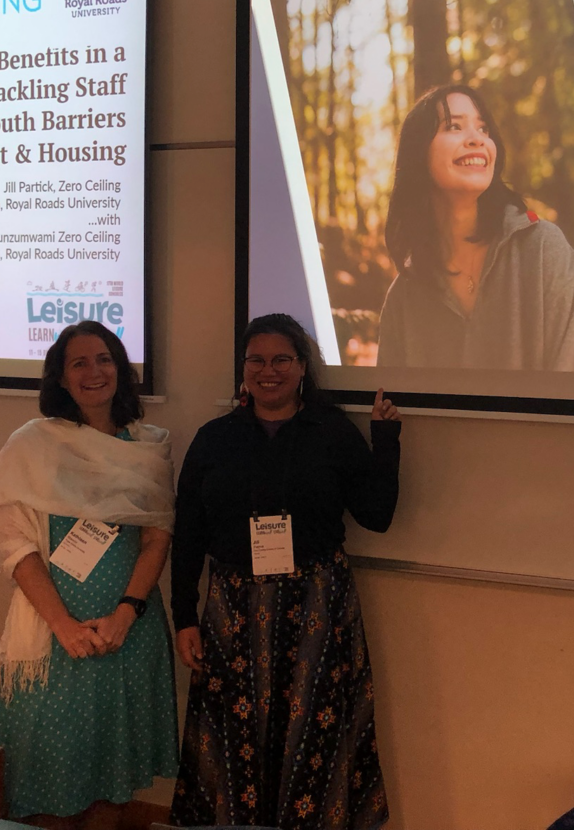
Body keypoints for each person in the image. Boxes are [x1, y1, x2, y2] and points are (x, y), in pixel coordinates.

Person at [171, 313, 401, 830]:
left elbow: (377, 516)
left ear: (302, 368)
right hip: (231, 611)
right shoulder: (213, 439)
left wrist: (386, 438)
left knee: (314, 740)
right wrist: (183, 616)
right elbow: (187, 535)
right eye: (257, 360)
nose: (267, 370)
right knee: (234, 741)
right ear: (243, 368)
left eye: (281, 360)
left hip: (317, 608)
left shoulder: (334, 433)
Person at [0, 320, 178, 828]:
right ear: (60, 379)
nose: (94, 371)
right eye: (79, 363)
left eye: (105, 359)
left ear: (121, 369)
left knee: (115, 781)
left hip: (125, 636)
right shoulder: (32, 446)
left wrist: (125, 616)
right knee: (48, 787)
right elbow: (16, 546)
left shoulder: (146, 448)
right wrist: (64, 626)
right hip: (55, 641)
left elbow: (157, 538)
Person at [377, 84, 574, 371]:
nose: (477, 139)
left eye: (483, 129)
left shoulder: (544, 250)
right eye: (454, 126)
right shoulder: (403, 295)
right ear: (419, 153)